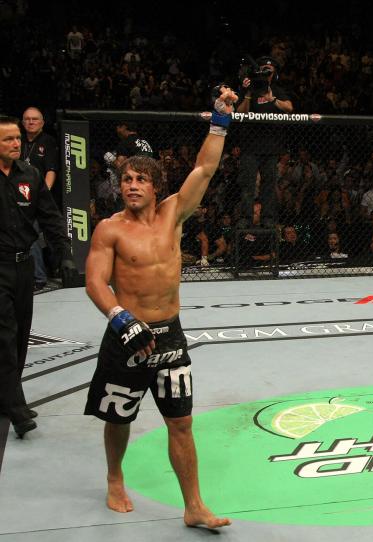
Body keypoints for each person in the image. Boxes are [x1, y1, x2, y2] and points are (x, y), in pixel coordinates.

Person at [82, 87, 237, 528]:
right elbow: (95, 282)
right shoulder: (110, 230)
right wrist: (120, 317)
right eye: (125, 179)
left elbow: (205, 168)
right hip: (125, 336)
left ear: (154, 186)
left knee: (182, 422)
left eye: (140, 180)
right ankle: (115, 477)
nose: (131, 186)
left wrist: (220, 121)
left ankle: (193, 507)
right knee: (118, 416)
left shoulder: (173, 215)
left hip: (169, 335)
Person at [0, 115, 76, 437]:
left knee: (19, 338)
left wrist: (66, 255)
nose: (16, 143)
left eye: (18, 138)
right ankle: (17, 410)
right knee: (3, 337)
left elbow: (50, 216)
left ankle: (7, 398)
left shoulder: (30, 175)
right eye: (8, 140)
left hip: (23, 267)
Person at [235, 55, 293, 227]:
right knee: (248, 185)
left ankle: (268, 218)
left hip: (271, 146)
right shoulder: (250, 89)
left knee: (269, 185)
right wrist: (247, 93)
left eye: (270, 72)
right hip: (250, 146)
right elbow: (240, 114)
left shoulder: (276, 90)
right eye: (264, 71)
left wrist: (272, 99)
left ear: (273, 75)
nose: (266, 75)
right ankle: (246, 218)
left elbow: (289, 108)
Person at [21, 107, 60, 289]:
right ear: (23, 122)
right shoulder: (18, 141)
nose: (31, 122)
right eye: (27, 119)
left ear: (42, 123)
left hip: (38, 197)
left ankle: (39, 278)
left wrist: (42, 195)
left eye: (35, 119)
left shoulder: (48, 141)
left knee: (35, 235)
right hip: (17, 195)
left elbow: (51, 170)